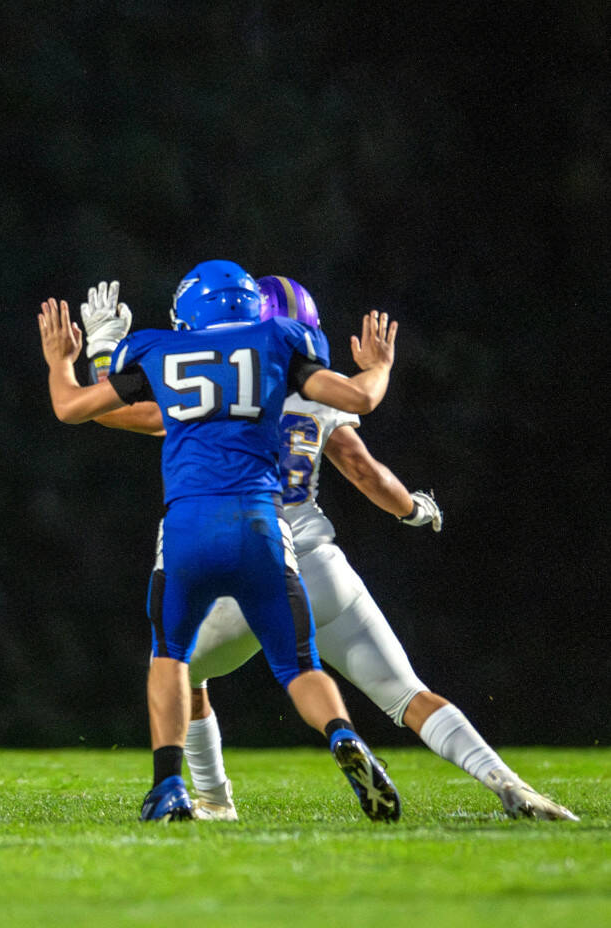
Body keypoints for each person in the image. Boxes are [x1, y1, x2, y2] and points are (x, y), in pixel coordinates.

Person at [83, 275, 576, 822]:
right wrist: (413, 508)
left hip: (244, 555)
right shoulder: (315, 385)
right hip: (318, 562)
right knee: (406, 694)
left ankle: (214, 799)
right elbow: (365, 471)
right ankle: (505, 782)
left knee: (181, 671)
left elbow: (105, 408)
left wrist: (103, 350)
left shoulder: (211, 381)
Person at [38, 260, 402, 823]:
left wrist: (68, 359)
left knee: (171, 655)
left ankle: (169, 786)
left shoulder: (160, 348)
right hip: (261, 525)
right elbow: (359, 398)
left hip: (189, 526)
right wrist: (379, 367)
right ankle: (340, 736)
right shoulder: (279, 341)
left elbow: (74, 407)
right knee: (299, 665)